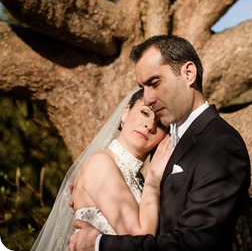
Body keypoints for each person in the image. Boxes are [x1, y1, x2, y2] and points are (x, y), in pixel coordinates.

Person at [69, 34, 251, 251]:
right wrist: (93, 200)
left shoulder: (221, 145)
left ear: (188, 73)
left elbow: (195, 244)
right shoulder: (161, 143)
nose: (147, 99)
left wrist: (100, 243)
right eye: (143, 88)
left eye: (154, 83)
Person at [31, 88, 171, 251]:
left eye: (160, 123)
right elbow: (140, 241)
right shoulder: (101, 164)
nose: (150, 125)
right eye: (145, 113)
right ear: (126, 112)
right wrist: (154, 177)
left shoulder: (139, 179)